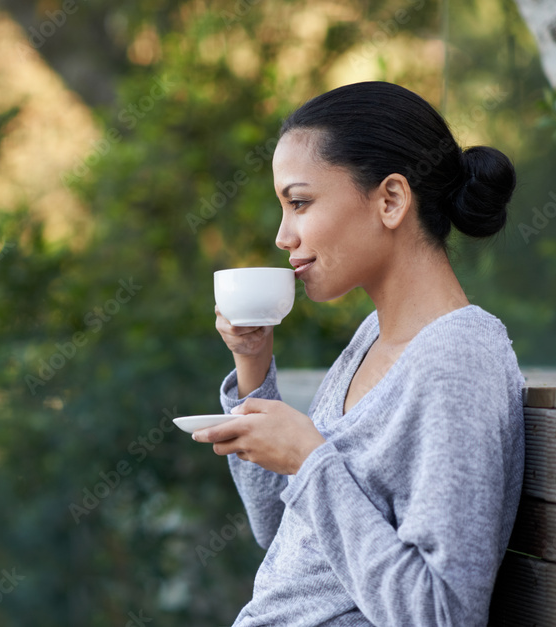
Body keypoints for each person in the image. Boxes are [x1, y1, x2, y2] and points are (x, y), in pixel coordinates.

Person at [192, 81, 525, 626]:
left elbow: (442, 614)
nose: (282, 235)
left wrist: (308, 458)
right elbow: (289, 540)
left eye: (299, 202)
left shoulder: (457, 362)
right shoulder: (372, 338)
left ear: (390, 200)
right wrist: (253, 367)